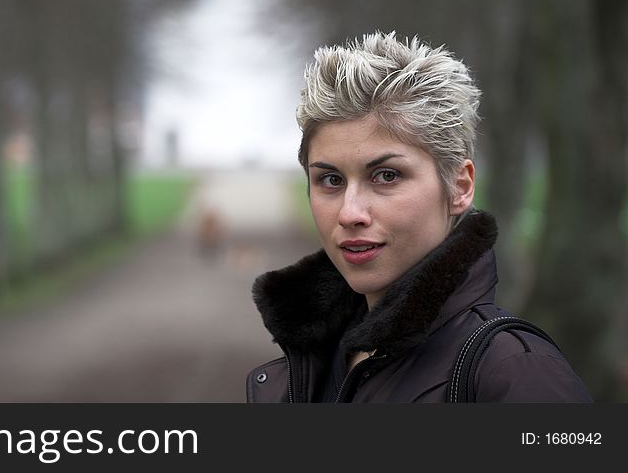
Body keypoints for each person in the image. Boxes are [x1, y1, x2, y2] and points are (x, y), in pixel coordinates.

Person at [246, 31, 592, 403]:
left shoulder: (515, 372)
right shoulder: (314, 362)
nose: (350, 213)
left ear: (459, 187)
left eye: (387, 176)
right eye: (331, 180)